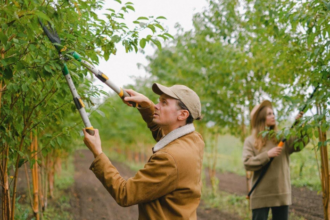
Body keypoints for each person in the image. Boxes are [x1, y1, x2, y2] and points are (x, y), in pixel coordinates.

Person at [83, 83, 204, 220]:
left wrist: (98, 153)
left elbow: (125, 193)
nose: (157, 106)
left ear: (182, 114)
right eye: (159, 101)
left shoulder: (170, 158)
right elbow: (165, 135)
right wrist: (146, 106)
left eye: (164, 103)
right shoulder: (194, 139)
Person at [242, 100, 308, 220]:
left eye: (273, 113)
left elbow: (299, 144)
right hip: (260, 195)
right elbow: (247, 163)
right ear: (261, 118)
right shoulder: (250, 141)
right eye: (269, 114)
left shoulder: (281, 137)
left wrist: (300, 124)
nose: (273, 116)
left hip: (281, 193)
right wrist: (267, 155)